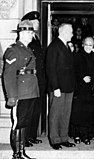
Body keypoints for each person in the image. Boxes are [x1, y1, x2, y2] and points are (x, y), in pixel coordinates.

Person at [2, 20, 39, 159]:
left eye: (32, 32)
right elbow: (8, 75)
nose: (31, 35)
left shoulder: (28, 49)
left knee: (25, 123)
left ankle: (22, 152)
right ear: (21, 34)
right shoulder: (13, 50)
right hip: (20, 93)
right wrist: (11, 96)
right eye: (29, 33)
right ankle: (16, 155)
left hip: (30, 91)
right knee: (18, 123)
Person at [46, 23, 76, 150]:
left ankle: (63, 138)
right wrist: (55, 87)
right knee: (56, 113)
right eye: (71, 32)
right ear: (63, 32)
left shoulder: (66, 46)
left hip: (68, 86)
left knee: (65, 114)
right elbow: (50, 68)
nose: (73, 34)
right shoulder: (54, 46)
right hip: (58, 87)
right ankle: (55, 139)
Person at [21, 11, 46, 147]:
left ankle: (32, 135)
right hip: (31, 79)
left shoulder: (36, 38)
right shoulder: (25, 41)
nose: (37, 24)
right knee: (28, 110)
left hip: (39, 79)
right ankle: (24, 138)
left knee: (36, 109)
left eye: (37, 22)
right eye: (34, 22)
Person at [69, 37, 94, 145]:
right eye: (86, 45)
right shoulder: (76, 56)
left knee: (89, 113)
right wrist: (82, 77)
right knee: (78, 113)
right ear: (83, 44)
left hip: (91, 90)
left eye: (90, 45)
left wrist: (92, 79)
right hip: (79, 89)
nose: (88, 47)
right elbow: (72, 72)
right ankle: (77, 135)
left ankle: (87, 136)